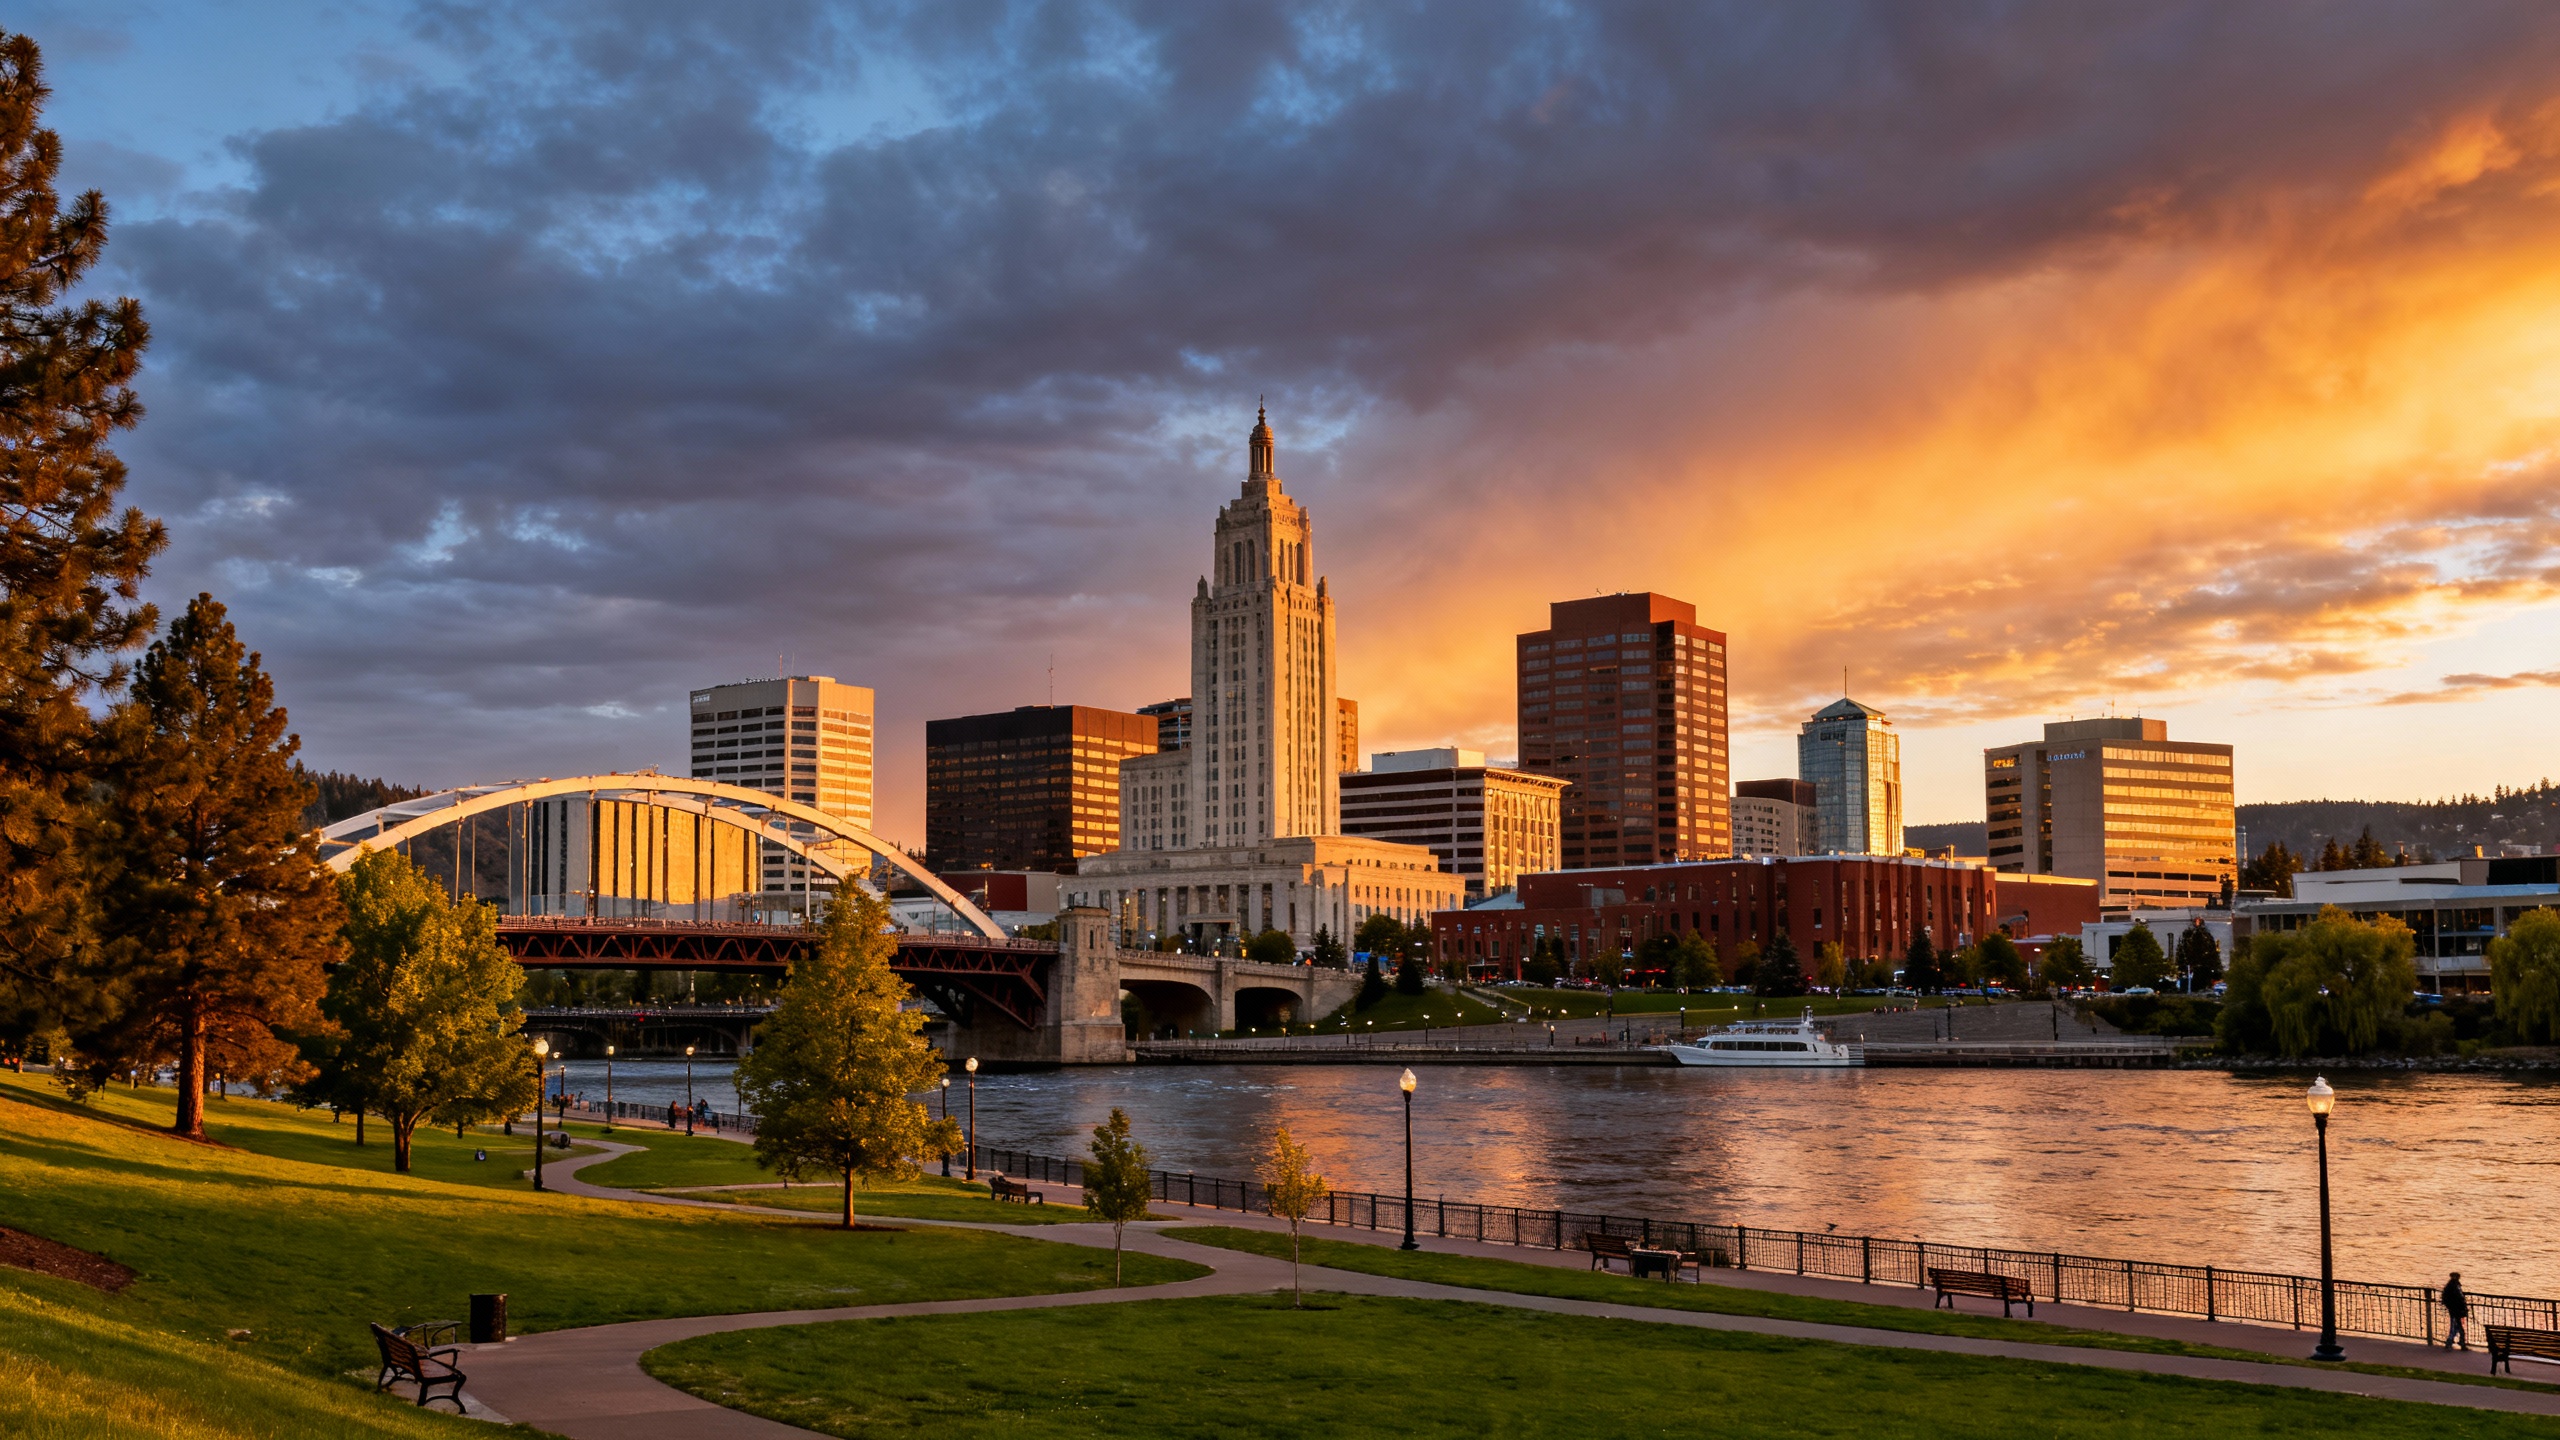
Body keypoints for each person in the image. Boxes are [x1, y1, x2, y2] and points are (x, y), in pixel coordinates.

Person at [2443, 1272, 2470, 1351]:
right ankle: (2456, 1342)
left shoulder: (2452, 1286)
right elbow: (2459, 1299)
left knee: (2457, 1326)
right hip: (2456, 1310)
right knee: (2457, 1327)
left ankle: (2459, 1342)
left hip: (2456, 1310)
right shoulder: (2454, 1286)